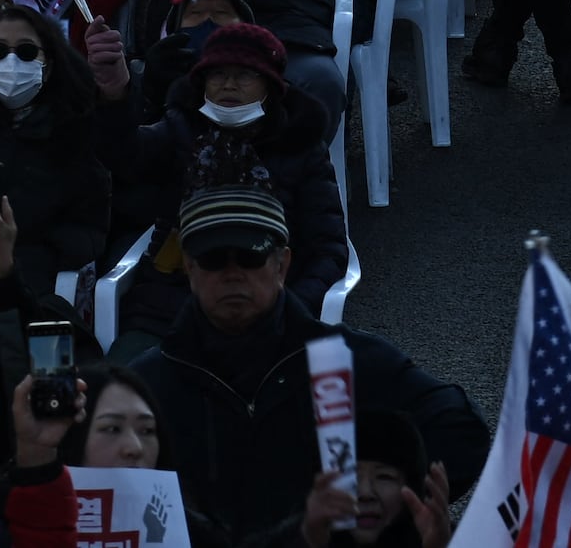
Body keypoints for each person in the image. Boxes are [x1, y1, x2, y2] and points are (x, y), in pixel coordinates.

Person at [109, 188, 487, 548]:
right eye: (212, 258)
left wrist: (387, 505)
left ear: (282, 265)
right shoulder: (146, 385)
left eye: (251, 255)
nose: (232, 272)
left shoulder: (350, 359)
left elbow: (460, 428)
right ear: (189, 269)